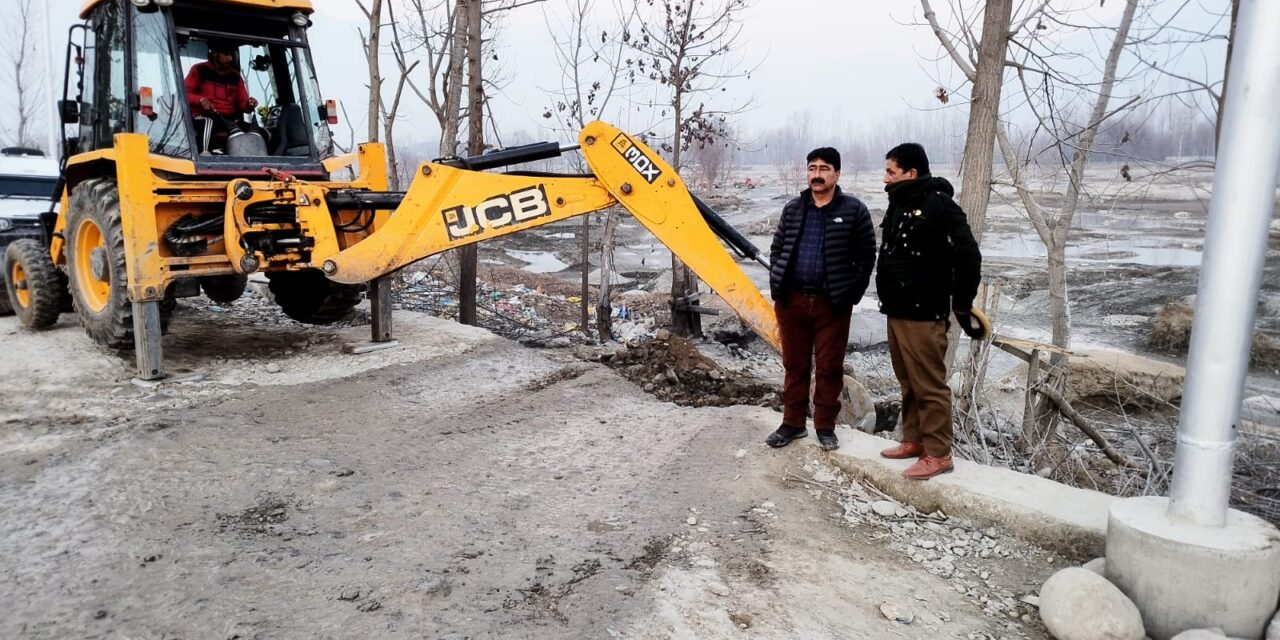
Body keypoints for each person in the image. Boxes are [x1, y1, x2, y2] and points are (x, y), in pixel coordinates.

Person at [876, 143, 983, 480]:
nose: (886, 178)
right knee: (908, 380)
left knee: (929, 384)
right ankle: (914, 440)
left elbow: (969, 257)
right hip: (897, 310)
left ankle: (938, 453)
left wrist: (962, 304)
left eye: (891, 172)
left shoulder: (939, 206)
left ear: (911, 173)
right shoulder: (898, 204)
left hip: (924, 313)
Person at [765, 148, 877, 451]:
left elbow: (866, 257)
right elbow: (777, 249)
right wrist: (778, 284)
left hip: (832, 305)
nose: (817, 174)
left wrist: (850, 293)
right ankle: (792, 423)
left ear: (836, 174)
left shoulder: (854, 210)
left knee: (829, 367)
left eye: (824, 168)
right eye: (812, 168)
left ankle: (825, 426)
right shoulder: (793, 209)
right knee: (795, 365)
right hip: (792, 302)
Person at [185, 39, 258, 152]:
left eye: (232, 55)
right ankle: (202, 155)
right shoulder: (199, 70)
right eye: (226, 54)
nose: (230, 59)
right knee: (208, 122)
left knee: (256, 132)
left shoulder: (236, 77)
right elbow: (184, 94)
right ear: (215, 53)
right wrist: (201, 100)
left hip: (228, 119)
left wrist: (249, 104)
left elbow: (243, 104)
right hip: (203, 115)